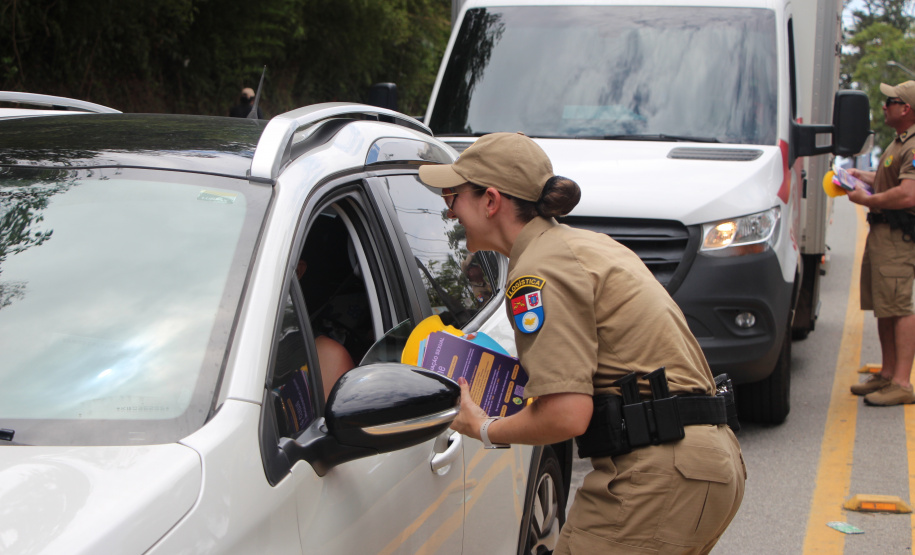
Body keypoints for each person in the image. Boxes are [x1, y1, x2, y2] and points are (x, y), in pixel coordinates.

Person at [418, 132, 745, 554]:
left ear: (491, 200)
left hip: (660, 473)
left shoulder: (538, 272)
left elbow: (568, 414)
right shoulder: (578, 245)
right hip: (701, 461)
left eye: (453, 197)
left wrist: (482, 427)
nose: (449, 214)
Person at [845, 81, 915, 406]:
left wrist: (868, 201)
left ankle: (901, 381)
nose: (885, 106)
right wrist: (861, 177)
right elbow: (891, 180)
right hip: (883, 235)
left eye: (891, 101)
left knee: (898, 308)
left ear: (907, 109)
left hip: (898, 236)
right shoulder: (899, 143)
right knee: (884, 307)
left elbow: (907, 193)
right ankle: (887, 374)